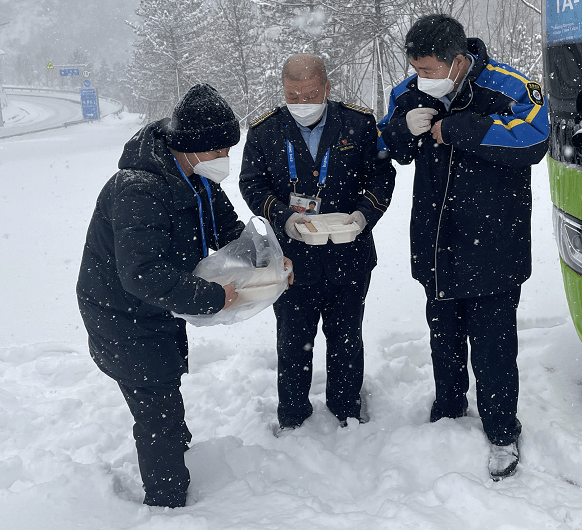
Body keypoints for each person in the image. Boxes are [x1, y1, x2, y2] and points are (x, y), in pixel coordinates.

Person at [76, 84, 292, 508]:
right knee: (157, 412)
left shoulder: (194, 178)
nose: (223, 161)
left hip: (156, 311)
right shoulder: (137, 189)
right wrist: (215, 297)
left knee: (163, 393)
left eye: (228, 150)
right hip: (121, 315)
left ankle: (176, 449)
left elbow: (229, 232)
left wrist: (270, 261)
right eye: (217, 152)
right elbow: (142, 274)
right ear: (189, 147)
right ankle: (167, 501)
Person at [377, 14, 549, 480]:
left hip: (494, 244)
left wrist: (458, 129)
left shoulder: (510, 87)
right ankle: (448, 413)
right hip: (436, 245)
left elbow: (535, 139)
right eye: (415, 69)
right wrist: (400, 131)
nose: (421, 78)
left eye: (429, 69)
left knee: (493, 347)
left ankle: (501, 432)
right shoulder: (409, 91)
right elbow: (385, 143)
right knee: (444, 338)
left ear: (457, 62)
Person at [239, 53, 396, 433]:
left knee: (346, 337)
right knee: (293, 341)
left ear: (326, 87)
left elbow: (381, 176)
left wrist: (363, 215)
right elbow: (252, 183)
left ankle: (347, 407)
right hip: (292, 260)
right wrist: (283, 217)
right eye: (293, 95)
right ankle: (293, 413)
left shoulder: (357, 124)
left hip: (349, 254)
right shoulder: (265, 131)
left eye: (310, 93)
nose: (302, 103)